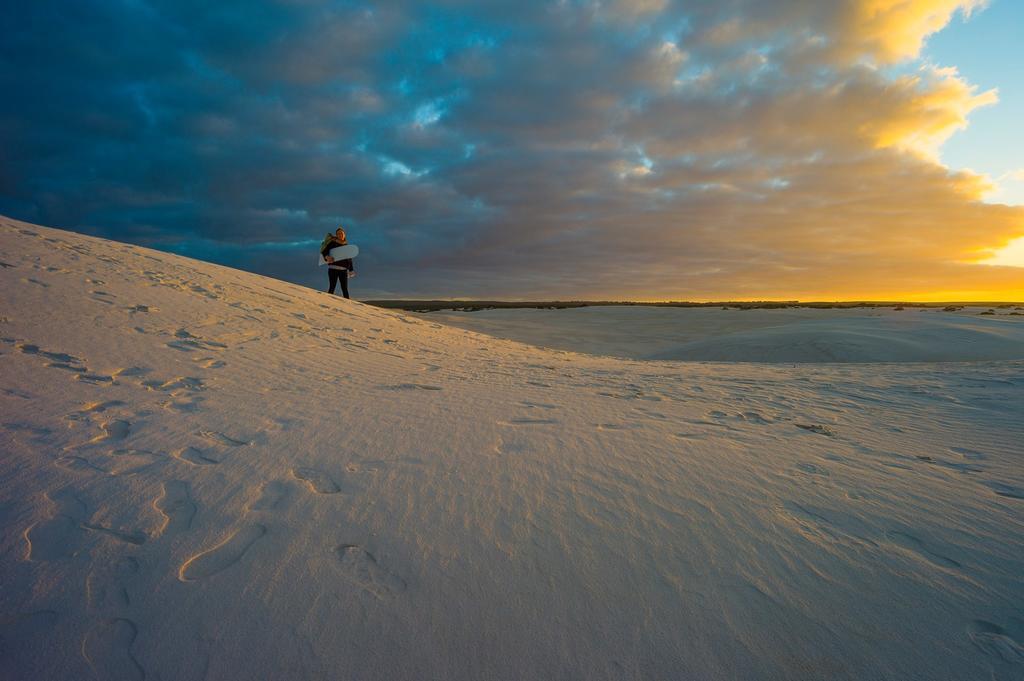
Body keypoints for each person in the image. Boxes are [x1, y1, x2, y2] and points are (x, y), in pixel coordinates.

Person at [321, 226, 355, 298]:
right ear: (336, 235)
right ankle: (327, 303)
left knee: (345, 289)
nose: (340, 235)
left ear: (344, 235)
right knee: (332, 288)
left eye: (342, 233)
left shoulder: (347, 246)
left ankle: (349, 307)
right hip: (333, 269)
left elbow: (349, 259)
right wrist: (327, 257)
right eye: (338, 233)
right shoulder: (332, 243)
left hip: (343, 270)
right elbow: (324, 252)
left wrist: (351, 270)